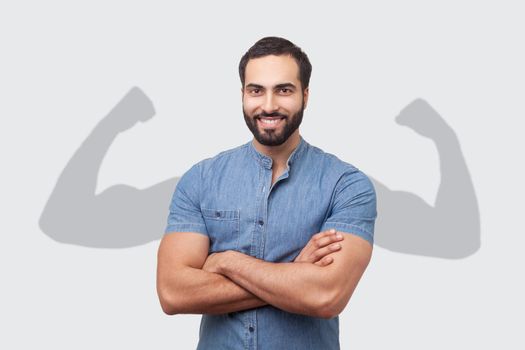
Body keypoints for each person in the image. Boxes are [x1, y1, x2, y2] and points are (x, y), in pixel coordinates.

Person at [156, 36, 377, 350]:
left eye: (283, 90)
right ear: (243, 94)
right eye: (256, 90)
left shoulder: (346, 185)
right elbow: (173, 293)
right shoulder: (201, 180)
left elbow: (326, 296)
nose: (269, 105)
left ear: (306, 95)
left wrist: (226, 261)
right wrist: (295, 276)